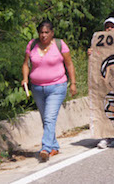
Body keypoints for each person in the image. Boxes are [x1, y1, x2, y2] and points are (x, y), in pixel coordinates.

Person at [21, 20, 77, 162]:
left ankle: (45, 148)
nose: (43, 35)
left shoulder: (60, 45)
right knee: (45, 119)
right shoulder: (32, 45)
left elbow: (69, 64)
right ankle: (54, 146)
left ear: (52, 33)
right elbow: (26, 64)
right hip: (37, 87)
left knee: (49, 117)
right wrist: (25, 78)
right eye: (41, 32)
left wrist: (73, 83)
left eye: (47, 32)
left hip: (57, 86)